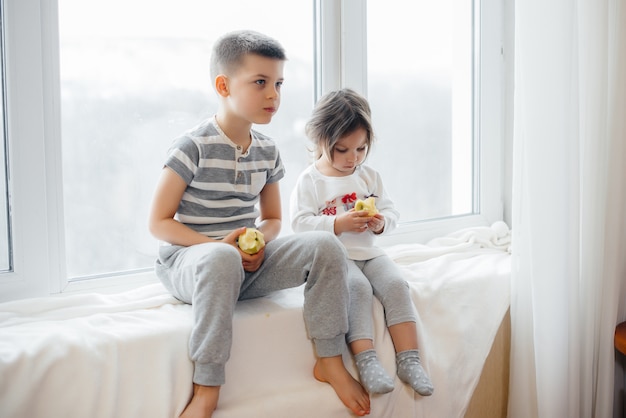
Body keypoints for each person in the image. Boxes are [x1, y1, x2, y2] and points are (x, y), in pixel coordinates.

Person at [148, 31, 371, 418]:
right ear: (223, 85)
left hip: (246, 265)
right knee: (220, 259)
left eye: (279, 84)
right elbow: (159, 223)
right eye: (260, 83)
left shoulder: (267, 150)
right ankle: (207, 389)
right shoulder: (192, 146)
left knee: (325, 245)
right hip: (191, 265)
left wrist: (259, 244)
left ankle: (330, 360)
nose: (274, 95)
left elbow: (272, 220)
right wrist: (219, 245)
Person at [290, 88, 434, 398]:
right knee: (357, 290)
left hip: (370, 252)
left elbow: (391, 210)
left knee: (396, 284)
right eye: (342, 150)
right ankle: (366, 360)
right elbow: (299, 226)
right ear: (320, 141)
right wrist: (337, 224)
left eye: (361, 149)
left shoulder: (369, 176)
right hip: (338, 259)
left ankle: (410, 360)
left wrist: (382, 223)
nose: (352, 158)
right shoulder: (311, 181)